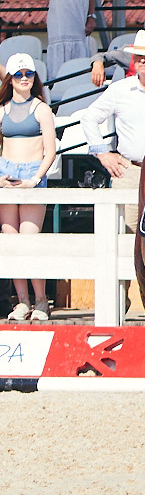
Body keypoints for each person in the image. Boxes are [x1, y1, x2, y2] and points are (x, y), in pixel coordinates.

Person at [75, 29, 145, 234]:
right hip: (129, 171)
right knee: (126, 233)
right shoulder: (119, 89)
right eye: (138, 55)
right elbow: (89, 118)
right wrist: (103, 153)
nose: (142, 60)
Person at [0, 56, 57, 321]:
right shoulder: (2, 109)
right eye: (19, 74)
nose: (25, 78)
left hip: (32, 176)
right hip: (7, 175)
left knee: (30, 239)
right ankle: (22, 301)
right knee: (11, 240)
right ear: (9, 78)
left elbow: (50, 151)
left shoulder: (41, 109)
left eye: (29, 74)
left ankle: (42, 300)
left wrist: (35, 179)